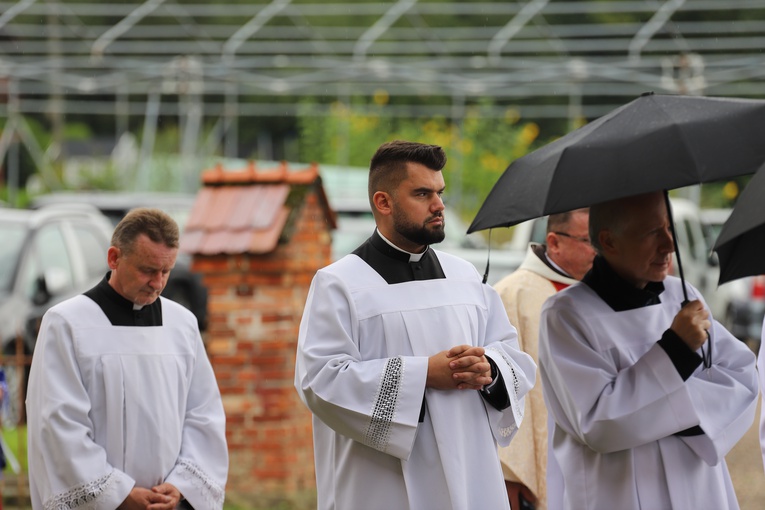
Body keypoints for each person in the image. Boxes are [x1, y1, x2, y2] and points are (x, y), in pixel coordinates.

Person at [294, 140, 537, 510]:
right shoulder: (340, 283)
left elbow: (511, 355)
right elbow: (321, 381)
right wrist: (424, 374)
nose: (439, 205)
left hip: (471, 473)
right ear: (383, 202)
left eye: (439, 192)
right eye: (423, 194)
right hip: (382, 482)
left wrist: (488, 368)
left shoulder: (465, 276)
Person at [539, 191, 759, 509]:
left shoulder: (682, 297)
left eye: (669, 228)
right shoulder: (566, 315)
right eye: (652, 232)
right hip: (617, 493)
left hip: (698, 487)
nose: (669, 244)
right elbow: (598, 423)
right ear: (609, 241)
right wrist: (676, 351)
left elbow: (742, 377)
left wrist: (657, 410)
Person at [26, 208, 228, 510]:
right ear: (114, 258)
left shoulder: (182, 324)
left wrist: (180, 486)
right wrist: (118, 494)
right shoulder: (67, 323)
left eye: (166, 271)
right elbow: (58, 423)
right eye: (147, 270)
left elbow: (203, 413)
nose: (157, 283)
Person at [494, 208, 595, 510]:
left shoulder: (599, 293)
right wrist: (511, 475)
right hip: (544, 453)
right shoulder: (513, 294)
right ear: (554, 242)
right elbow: (504, 392)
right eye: (588, 241)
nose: (598, 251)